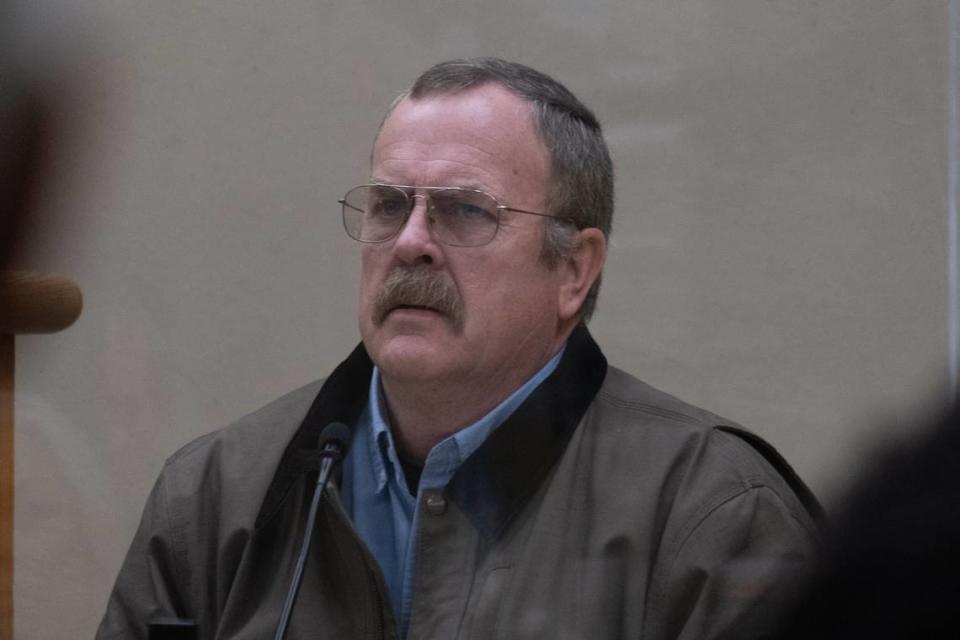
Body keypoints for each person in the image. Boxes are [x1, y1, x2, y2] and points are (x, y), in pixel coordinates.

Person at [97, 58, 820, 640]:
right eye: (388, 205)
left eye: (466, 211)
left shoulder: (711, 514)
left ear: (574, 270)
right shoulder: (218, 495)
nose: (411, 242)